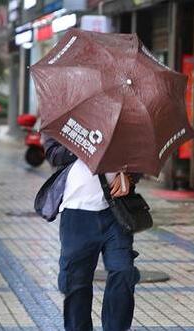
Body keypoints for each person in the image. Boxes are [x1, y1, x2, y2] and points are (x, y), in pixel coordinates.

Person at [43, 136, 141, 331]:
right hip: (77, 214)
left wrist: (130, 177)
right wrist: (85, 144)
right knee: (76, 282)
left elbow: (138, 154)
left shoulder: (121, 119)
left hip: (114, 212)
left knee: (124, 271)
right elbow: (54, 155)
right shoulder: (67, 118)